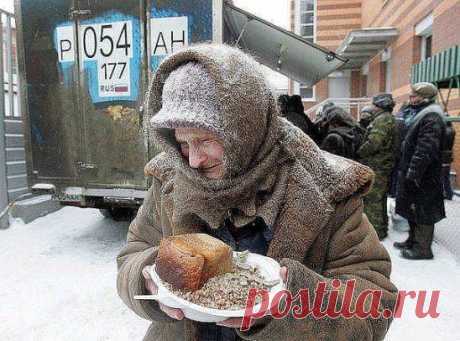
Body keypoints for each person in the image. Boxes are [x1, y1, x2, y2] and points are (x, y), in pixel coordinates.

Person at [117, 44, 397, 341]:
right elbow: (132, 254)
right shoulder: (170, 176)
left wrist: (288, 307)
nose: (194, 160)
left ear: (245, 127)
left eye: (205, 140)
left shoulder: (326, 186)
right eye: (184, 143)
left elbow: (374, 306)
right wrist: (145, 278)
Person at [394, 82, 446, 260]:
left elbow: (425, 149)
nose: (410, 98)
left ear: (425, 98)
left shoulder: (431, 117)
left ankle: (423, 249)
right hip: (414, 172)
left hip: (424, 177)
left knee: (423, 211)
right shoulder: (418, 113)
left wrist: (414, 173)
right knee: (412, 209)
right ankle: (412, 241)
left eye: (414, 96)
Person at [356, 94, 397, 240]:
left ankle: (374, 233)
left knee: (373, 201)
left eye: (374, 104)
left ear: (379, 105)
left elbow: (374, 142)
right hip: (382, 165)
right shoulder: (387, 118)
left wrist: (359, 152)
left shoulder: (382, 120)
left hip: (377, 166)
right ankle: (381, 229)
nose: (372, 107)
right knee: (379, 199)